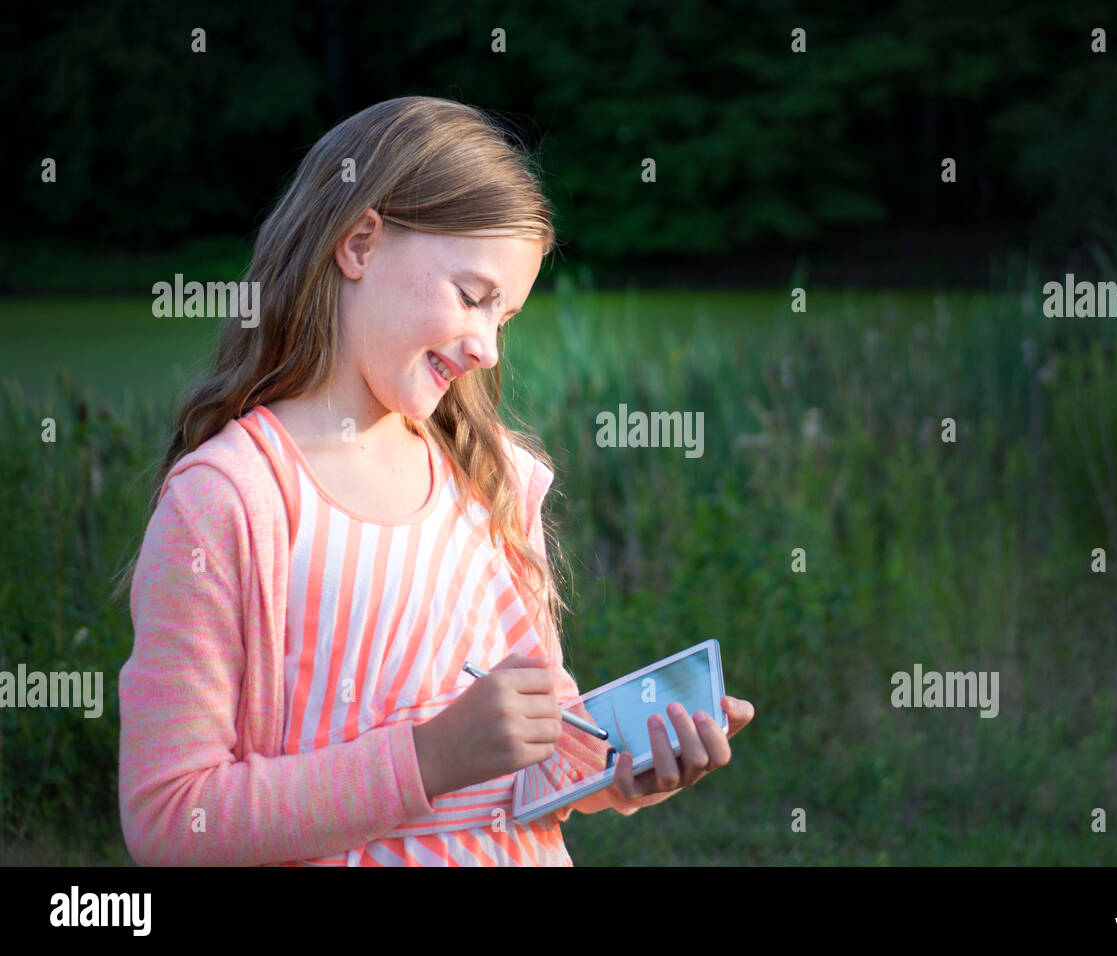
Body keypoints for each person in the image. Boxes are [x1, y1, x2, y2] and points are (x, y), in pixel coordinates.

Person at [116, 95, 754, 866]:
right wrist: (427, 759)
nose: (488, 347)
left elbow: (528, 761)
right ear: (358, 245)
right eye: (472, 297)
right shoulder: (229, 501)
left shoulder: (492, 484)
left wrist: (621, 772)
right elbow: (170, 818)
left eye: (506, 317)